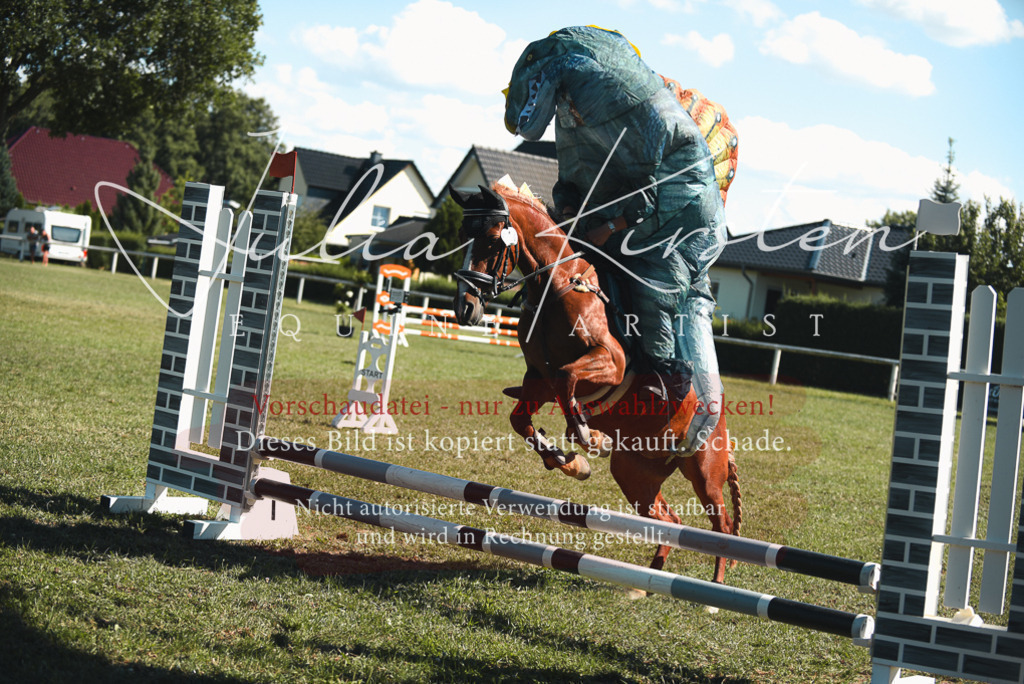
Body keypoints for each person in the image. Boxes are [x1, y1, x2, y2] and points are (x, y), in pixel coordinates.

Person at [503, 25, 727, 454]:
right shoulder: (573, 108)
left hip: (678, 214)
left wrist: (609, 227)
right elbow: (573, 172)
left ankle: (670, 384)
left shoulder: (634, 107)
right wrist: (568, 212)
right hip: (617, 208)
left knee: (654, 286)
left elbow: (647, 187)